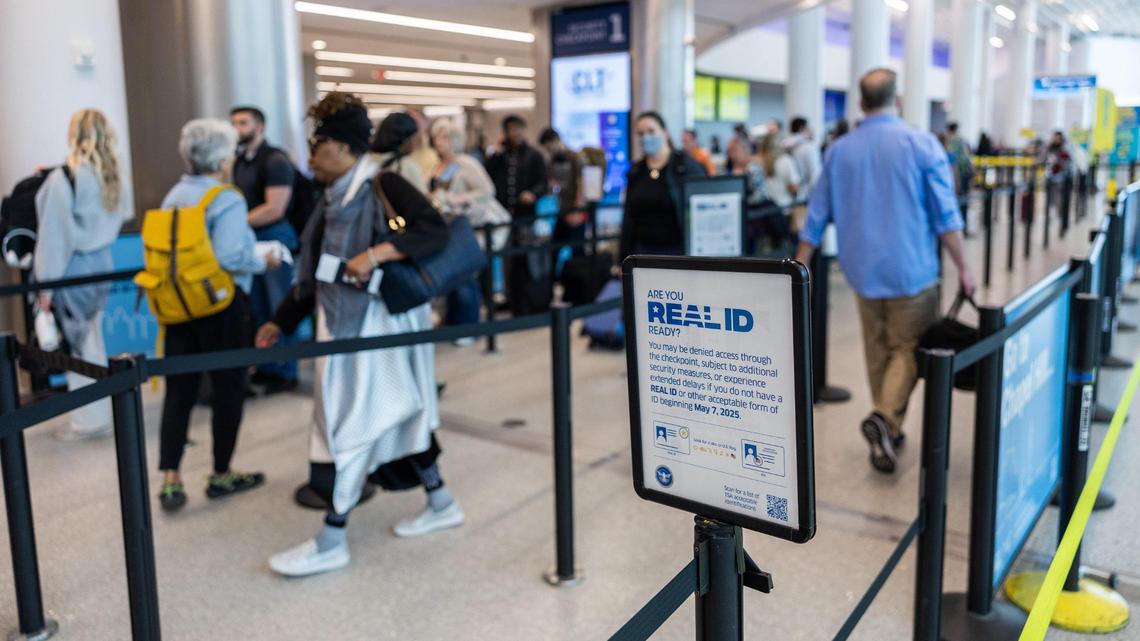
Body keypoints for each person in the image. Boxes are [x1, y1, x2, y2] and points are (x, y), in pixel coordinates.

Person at [259, 92, 460, 577]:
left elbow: (434, 230)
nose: (311, 156)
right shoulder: (331, 198)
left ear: (346, 148)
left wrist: (375, 254)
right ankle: (442, 502)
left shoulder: (382, 183)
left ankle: (332, 538)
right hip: (341, 324)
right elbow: (318, 272)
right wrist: (281, 320)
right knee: (396, 420)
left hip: (377, 326)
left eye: (319, 145)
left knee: (352, 423)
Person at [795, 68, 976, 475]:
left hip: (861, 272)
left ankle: (887, 431)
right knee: (908, 348)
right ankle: (885, 419)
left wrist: (800, 265)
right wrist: (964, 267)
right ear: (897, 99)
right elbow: (946, 216)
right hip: (911, 272)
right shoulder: (921, 143)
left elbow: (816, 214)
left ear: (861, 103)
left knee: (878, 350)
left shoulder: (838, 150)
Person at [157, 118, 281, 511]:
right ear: (221, 158)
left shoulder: (174, 194)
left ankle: (171, 479)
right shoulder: (226, 198)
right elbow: (229, 255)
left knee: (180, 391)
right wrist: (264, 261)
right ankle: (221, 472)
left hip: (178, 304)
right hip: (221, 306)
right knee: (229, 389)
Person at [34, 109, 131, 440]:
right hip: (102, 262)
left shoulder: (65, 178)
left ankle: (88, 420)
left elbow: (54, 238)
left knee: (80, 346)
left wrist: (45, 287)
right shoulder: (113, 175)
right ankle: (98, 413)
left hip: (73, 267)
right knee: (93, 339)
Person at [230, 106, 299, 395]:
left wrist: (234, 222)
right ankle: (267, 365)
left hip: (275, 239)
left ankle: (286, 369)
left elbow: (275, 208)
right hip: (252, 240)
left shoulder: (275, 160)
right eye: (234, 123)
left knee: (279, 306)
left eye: (243, 123)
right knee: (258, 307)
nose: (237, 128)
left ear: (259, 127)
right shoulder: (239, 162)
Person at [430, 117, 509, 337]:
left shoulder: (467, 164)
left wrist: (456, 199)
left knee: (466, 277)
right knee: (453, 277)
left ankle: (468, 326)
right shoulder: (437, 166)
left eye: (445, 137)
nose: (439, 141)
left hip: (469, 228)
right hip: (448, 229)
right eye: (437, 137)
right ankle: (454, 321)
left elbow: (486, 192)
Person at [484, 115, 550, 314]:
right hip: (503, 218)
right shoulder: (501, 156)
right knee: (508, 263)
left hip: (526, 217)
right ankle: (512, 302)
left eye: (518, 128)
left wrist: (533, 194)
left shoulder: (534, 155)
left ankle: (529, 304)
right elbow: (487, 177)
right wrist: (496, 152)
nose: (515, 133)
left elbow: (543, 182)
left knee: (527, 261)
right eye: (511, 129)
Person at [619, 111, 707, 260]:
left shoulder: (685, 167)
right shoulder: (636, 171)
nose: (646, 137)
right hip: (641, 253)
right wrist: (622, 257)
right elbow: (628, 218)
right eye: (640, 133)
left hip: (677, 254)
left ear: (665, 133)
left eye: (651, 131)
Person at [538, 127, 587, 259]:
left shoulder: (575, 157)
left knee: (578, 251)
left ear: (556, 140)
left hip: (576, 211)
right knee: (554, 249)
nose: (549, 151)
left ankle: (580, 272)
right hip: (562, 210)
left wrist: (578, 210)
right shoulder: (552, 161)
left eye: (549, 147)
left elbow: (581, 183)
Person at [943, 122, 973, 236]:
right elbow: (966, 158)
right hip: (961, 174)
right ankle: (962, 228)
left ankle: (955, 229)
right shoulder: (961, 140)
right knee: (963, 201)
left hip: (951, 175)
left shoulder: (947, 141)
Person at [784, 117, 822, 194]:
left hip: (787, 190)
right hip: (804, 191)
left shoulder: (783, 144)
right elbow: (815, 173)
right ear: (802, 129)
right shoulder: (809, 146)